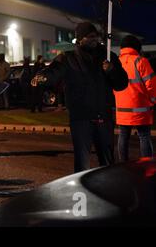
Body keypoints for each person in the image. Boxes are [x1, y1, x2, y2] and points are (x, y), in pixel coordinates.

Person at [32, 22, 128, 173]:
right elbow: (54, 72)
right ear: (79, 39)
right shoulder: (68, 58)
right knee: (82, 165)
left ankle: (108, 192)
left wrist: (112, 70)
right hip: (81, 119)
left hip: (104, 117)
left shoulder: (108, 57)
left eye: (95, 36)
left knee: (108, 164)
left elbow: (122, 84)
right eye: (89, 37)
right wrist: (42, 77)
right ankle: (83, 194)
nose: (94, 39)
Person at [114, 35, 156, 161]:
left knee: (123, 136)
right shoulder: (141, 61)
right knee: (144, 136)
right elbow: (152, 85)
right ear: (136, 47)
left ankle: (123, 164)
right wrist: (153, 101)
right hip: (141, 109)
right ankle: (146, 165)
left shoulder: (116, 62)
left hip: (122, 109)